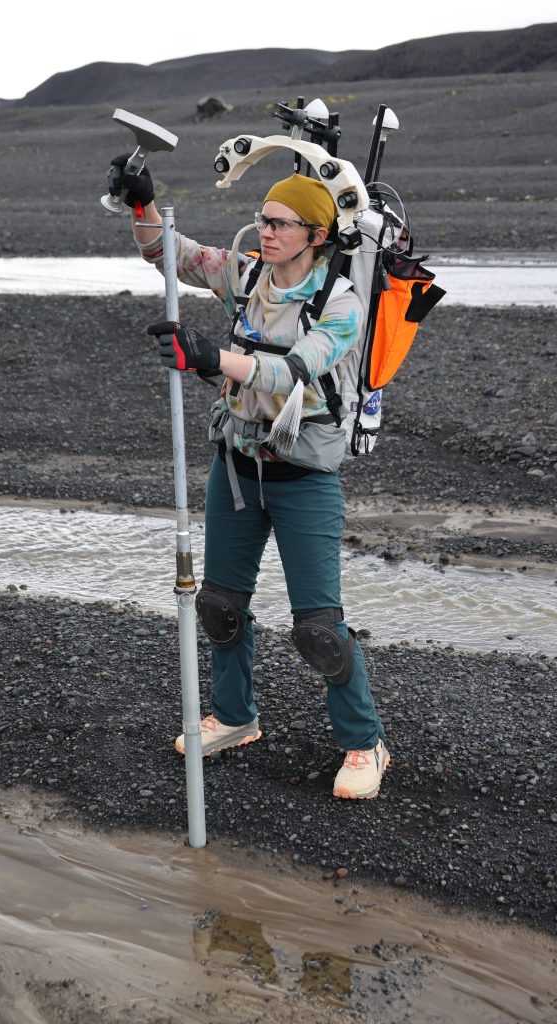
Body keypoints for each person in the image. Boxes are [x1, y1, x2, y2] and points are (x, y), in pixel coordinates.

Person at [107, 154, 389, 799]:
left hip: (303, 481)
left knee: (319, 626)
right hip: (236, 468)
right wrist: (142, 206)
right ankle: (235, 719)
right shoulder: (246, 276)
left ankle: (363, 742)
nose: (266, 231)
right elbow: (170, 256)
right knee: (220, 605)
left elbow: (292, 372)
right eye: (262, 219)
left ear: (317, 235)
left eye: (282, 223)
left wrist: (210, 355)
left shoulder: (342, 304)